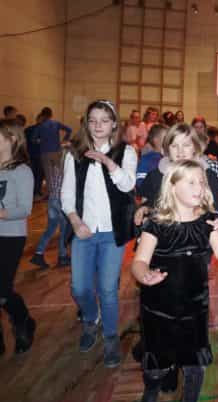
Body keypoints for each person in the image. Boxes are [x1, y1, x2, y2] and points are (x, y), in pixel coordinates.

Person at [132, 159, 218, 402]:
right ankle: (150, 393)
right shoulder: (156, 223)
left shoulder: (209, 221)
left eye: (201, 182)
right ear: (173, 186)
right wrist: (144, 274)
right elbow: (139, 262)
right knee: (157, 362)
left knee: (194, 364)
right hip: (158, 308)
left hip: (194, 309)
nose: (199, 187)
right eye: (190, 182)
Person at [61, 100, 137, 367]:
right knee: (79, 288)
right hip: (83, 231)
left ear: (114, 124)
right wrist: (75, 222)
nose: (98, 126)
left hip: (111, 234)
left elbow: (128, 185)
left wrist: (107, 162)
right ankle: (91, 318)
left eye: (104, 120)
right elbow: (67, 195)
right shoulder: (74, 153)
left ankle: (111, 336)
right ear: (86, 123)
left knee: (107, 289)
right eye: (92, 121)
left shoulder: (126, 151)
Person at [0, 119, 37, 355]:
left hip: (10, 236)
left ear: (11, 139)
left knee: (2, 290)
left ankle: (23, 320)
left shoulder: (21, 171)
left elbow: (24, 209)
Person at [30, 144, 70, 269]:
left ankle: (39, 253)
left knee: (50, 229)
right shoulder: (67, 169)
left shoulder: (54, 167)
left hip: (52, 201)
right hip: (61, 202)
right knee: (64, 230)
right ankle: (62, 256)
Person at [29, 107, 72, 197]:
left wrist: (40, 141)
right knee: (59, 173)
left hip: (45, 152)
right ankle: (61, 191)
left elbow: (33, 139)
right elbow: (69, 129)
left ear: (42, 115)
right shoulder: (56, 123)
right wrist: (65, 139)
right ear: (51, 114)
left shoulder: (40, 126)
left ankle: (50, 194)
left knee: (48, 174)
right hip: (57, 151)